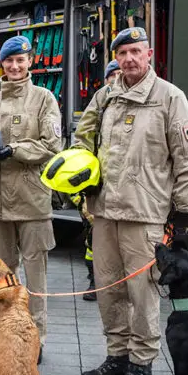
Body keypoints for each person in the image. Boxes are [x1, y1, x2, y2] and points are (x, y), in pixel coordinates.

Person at [73, 27, 188, 375]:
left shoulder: (169, 97)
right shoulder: (106, 95)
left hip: (145, 214)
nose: (129, 59)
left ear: (149, 54)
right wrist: (83, 174)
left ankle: (142, 366)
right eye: (122, 52)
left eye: (135, 51)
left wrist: (183, 213)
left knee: (142, 293)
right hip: (105, 211)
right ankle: (117, 356)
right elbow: (83, 138)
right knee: (108, 288)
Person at [0, 35, 62, 358]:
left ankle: (36, 338)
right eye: (8, 61)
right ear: (1, 64)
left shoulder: (44, 99)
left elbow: (51, 146)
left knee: (35, 276)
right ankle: (3, 334)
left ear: (30, 61)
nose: (14, 66)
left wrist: (12, 150)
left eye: (20, 60)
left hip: (32, 200)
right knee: (1, 273)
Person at [78, 59, 122, 303]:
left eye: (119, 72)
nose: (116, 76)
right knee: (94, 237)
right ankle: (95, 282)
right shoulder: (100, 100)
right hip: (100, 182)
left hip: (130, 184)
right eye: (111, 74)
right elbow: (83, 135)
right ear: (105, 79)